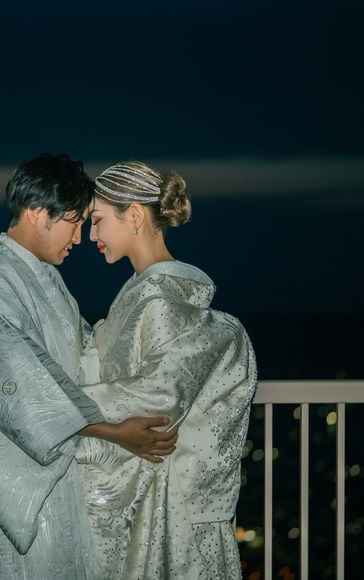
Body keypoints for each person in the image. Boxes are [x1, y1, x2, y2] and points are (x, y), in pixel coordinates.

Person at [0, 154, 178, 579]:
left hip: (54, 481)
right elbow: (20, 389)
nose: (80, 238)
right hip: (7, 492)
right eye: (73, 222)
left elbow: (84, 354)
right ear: (35, 212)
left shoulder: (43, 278)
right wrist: (115, 433)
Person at [76, 161, 258, 579]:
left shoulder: (161, 302)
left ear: (134, 216)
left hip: (168, 507)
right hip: (161, 495)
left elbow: (155, 397)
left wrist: (53, 404)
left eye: (98, 220)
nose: (91, 236)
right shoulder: (149, 295)